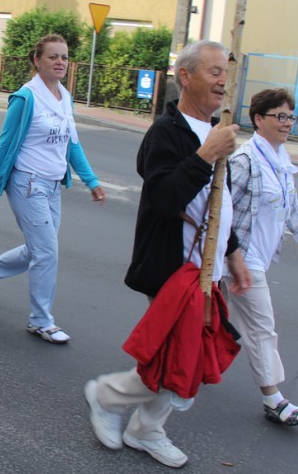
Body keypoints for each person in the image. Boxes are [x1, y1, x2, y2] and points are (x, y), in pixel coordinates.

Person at [84, 40, 250, 469]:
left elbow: (218, 202)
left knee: (186, 357)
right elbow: (163, 198)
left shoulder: (215, 130)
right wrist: (206, 154)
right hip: (174, 270)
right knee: (176, 357)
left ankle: (145, 429)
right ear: (185, 77)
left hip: (207, 268)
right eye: (214, 71)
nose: (223, 80)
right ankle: (107, 396)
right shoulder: (167, 132)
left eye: (226, 72)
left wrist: (232, 253)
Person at [0, 33, 105, 344]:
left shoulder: (65, 97)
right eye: (53, 56)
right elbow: (5, 147)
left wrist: (91, 180)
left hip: (52, 185)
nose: (60, 61)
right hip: (27, 182)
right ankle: (41, 321)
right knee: (47, 252)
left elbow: (71, 144)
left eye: (64, 57)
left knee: (39, 249)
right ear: (37, 60)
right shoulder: (26, 98)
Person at [223, 87, 298, 428]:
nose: (287, 123)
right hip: (240, 260)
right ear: (258, 119)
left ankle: (168, 369)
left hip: (251, 260)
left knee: (207, 321)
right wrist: (232, 256)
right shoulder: (245, 161)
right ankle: (274, 399)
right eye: (280, 116)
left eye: (290, 117)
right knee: (261, 328)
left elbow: (289, 202)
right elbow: (220, 208)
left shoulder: (279, 159)